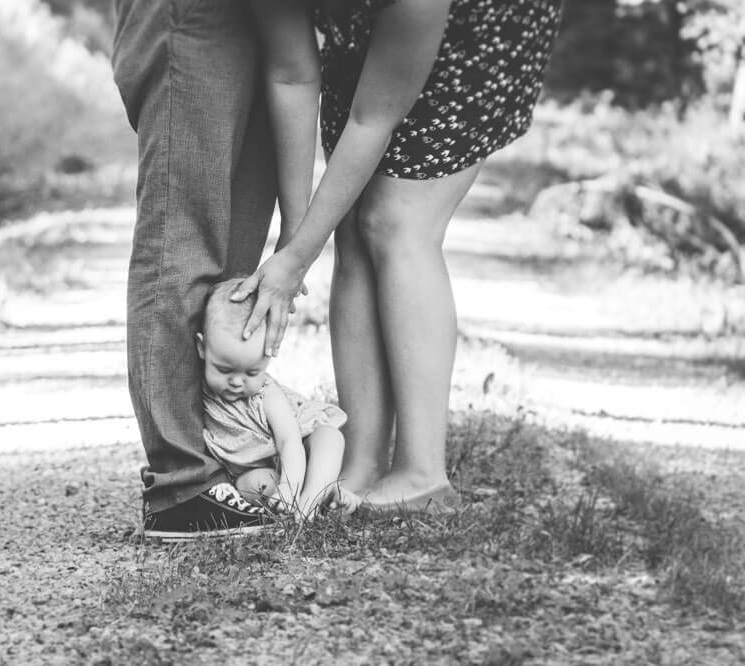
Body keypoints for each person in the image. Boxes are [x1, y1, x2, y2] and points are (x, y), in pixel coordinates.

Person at [237, 0, 564, 511]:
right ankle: (361, 461)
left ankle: (422, 473)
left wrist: (299, 259)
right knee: (350, 224)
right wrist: (295, 234)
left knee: (395, 220)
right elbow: (292, 76)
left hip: (482, 23)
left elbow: (373, 119)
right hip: (367, 28)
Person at [111, 1, 285, 539]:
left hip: (256, 22)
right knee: (179, 242)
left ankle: (224, 467)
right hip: (192, 17)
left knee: (234, 261)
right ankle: (181, 486)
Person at [197, 279, 360, 519]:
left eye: (252, 372)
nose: (237, 382)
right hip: (265, 473)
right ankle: (322, 497)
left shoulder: (265, 392)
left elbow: (289, 441)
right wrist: (280, 487)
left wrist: (289, 487)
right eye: (223, 370)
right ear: (202, 348)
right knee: (253, 484)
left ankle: (310, 500)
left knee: (330, 436)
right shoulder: (196, 389)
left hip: (296, 455)